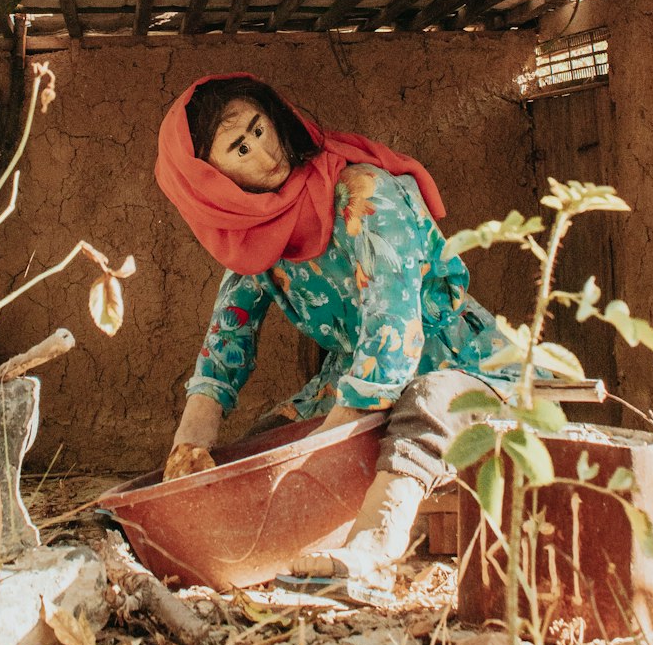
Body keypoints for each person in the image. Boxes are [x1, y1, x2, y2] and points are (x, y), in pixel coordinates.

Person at [154, 73, 504, 586]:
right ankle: (263, 550)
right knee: (267, 443)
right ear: (210, 179)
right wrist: (184, 459)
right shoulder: (254, 238)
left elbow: (394, 323)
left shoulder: (364, 194)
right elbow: (228, 340)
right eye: (238, 147)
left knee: (425, 403)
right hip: (357, 383)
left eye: (259, 127)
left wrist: (319, 452)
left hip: (461, 364)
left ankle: (375, 544)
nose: (262, 151)